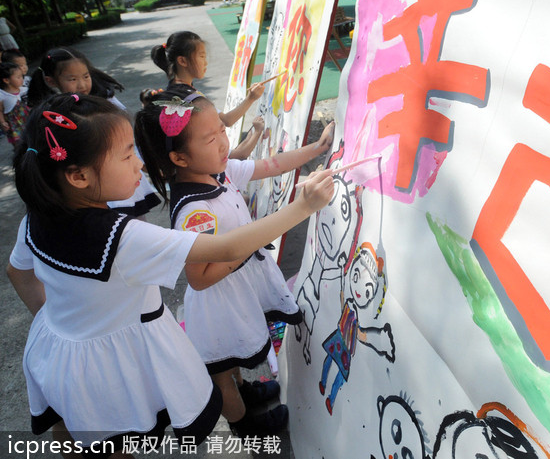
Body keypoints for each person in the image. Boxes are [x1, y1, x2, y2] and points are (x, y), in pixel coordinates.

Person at [7, 93, 335, 456]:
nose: (140, 165)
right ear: (79, 176)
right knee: (114, 442)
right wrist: (304, 206)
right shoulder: (122, 237)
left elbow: (17, 273)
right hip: (103, 368)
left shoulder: (35, 218)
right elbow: (223, 251)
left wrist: (61, 321)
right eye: (128, 154)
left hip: (54, 348)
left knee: (74, 428)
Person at [135, 87, 334, 438]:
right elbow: (198, 278)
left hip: (237, 289)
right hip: (218, 304)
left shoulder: (218, 171)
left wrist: (316, 149)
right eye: (211, 138)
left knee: (233, 362)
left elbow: (269, 165)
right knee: (221, 369)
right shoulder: (194, 210)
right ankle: (246, 425)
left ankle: (247, 392)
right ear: (180, 159)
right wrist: (247, 244)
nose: (224, 143)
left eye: (222, 131)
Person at [28, 47, 158, 216]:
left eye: (86, 76)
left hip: (120, 180)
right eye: (72, 79)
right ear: (51, 81)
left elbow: (128, 139)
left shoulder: (105, 102)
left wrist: (142, 162)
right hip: (94, 188)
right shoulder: (52, 118)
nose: (82, 84)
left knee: (133, 226)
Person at [150, 31, 266, 135]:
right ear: (182, 61)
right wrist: (251, 98)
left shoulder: (177, 89)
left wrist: (251, 98)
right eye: (201, 56)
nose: (205, 63)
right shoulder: (188, 97)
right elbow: (226, 120)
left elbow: (226, 120)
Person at [0, 61, 30, 145]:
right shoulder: (2, 95)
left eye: (22, 76)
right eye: (18, 77)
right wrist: (2, 122)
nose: (22, 79)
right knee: (20, 144)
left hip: (28, 119)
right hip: (15, 125)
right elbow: (0, 110)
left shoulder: (24, 90)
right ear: (6, 80)